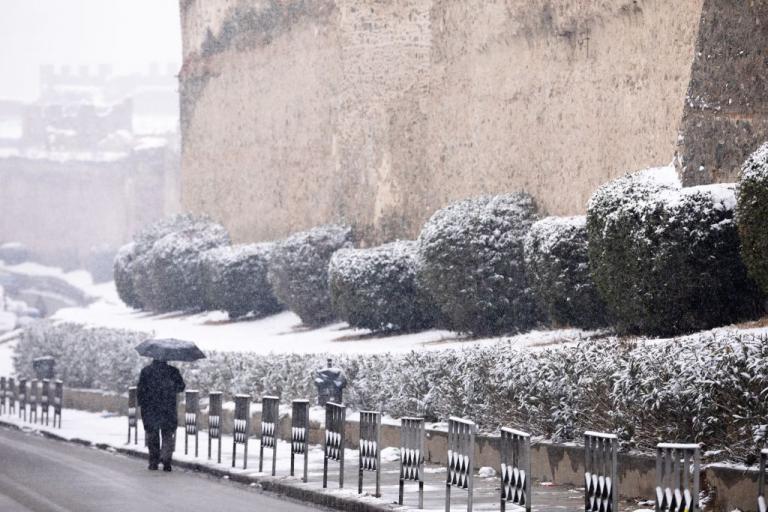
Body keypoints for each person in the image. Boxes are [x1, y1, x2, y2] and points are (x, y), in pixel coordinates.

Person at [136, 359, 185, 471]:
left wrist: (142, 403)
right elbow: (181, 387)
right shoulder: (173, 371)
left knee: (152, 435)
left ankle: (154, 461)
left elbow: (140, 390)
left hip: (150, 409)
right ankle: (166, 460)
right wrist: (171, 387)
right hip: (168, 408)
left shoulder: (146, 371)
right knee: (167, 434)